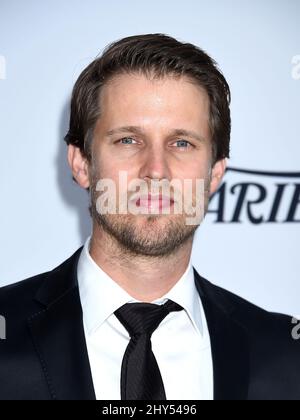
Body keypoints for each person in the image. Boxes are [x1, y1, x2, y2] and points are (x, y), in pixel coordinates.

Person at [0, 34, 299, 401]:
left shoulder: (285, 353)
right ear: (81, 163)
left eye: (182, 143)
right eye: (128, 140)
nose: (156, 170)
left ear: (215, 175)